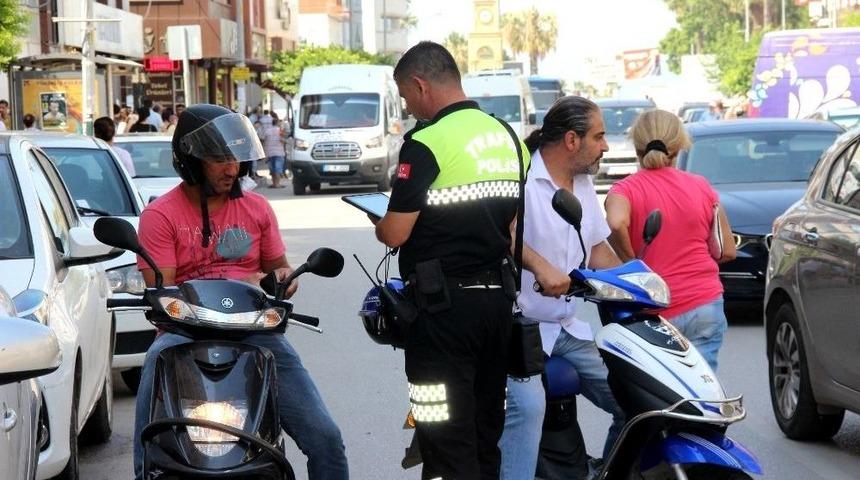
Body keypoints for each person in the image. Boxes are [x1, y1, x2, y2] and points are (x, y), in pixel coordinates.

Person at [131, 104, 348, 480]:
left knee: (326, 438)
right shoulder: (160, 215)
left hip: (254, 333)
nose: (231, 169)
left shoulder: (257, 208)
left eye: (236, 159)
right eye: (219, 159)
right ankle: (142, 471)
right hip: (182, 336)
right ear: (191, 159)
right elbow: (161, 288)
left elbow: (277, 264)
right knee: (153, 363)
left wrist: (284, 278)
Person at [373, 41, 526, 479]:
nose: (408, 106)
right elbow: (512, 225)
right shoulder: (508, 137)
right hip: (496, 306)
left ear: (420, 85)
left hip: (442, 314)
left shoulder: (425, 143)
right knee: (484, 430)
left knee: (442, 432)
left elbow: (397, 232)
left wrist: (379, 223)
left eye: (406, 96)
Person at [498, 97, 626, 480]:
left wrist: (633, 282)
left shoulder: (583, 183)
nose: (605, 145)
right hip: (521, 330)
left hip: (567, 328)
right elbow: (505, 232)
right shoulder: (521, 175)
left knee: (632, 399)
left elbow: (598, 247)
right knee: (528, 410)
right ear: (572, 140)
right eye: (599, 136)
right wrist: (541, 266)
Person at [605, 109, 736, 371]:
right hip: (704, 302)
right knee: (702, 390)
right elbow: (727, 251)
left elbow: (616, 221)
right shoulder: (701, 186)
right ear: (679, 144)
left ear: (637, 145)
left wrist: (632, 262)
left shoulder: (625, 190)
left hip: (656, 309)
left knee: (660, 393)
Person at [262, 111, 287, 188]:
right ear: (277, 123)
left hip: (269, 152)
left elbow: (263, 140)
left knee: (272, 169)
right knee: (278, 169)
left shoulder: (267, 131)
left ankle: (274, 183)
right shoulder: (280, 131)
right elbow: (284, 141)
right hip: (279, 152)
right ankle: (277, 184)